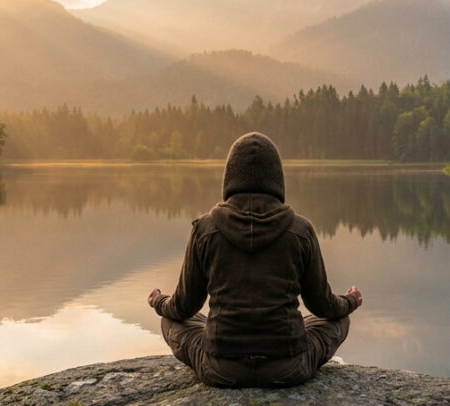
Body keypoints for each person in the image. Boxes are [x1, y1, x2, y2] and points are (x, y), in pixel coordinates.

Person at [148, 131, 363, 388]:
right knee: (339, 319)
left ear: (229, 178)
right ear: (277, 179)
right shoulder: (300, 230)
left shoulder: (204, 229)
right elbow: (324, 306)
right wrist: (349, 301)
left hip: (220, 368)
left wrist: (159, 301)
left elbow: (182, 308)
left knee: (171, 320)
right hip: (288, 366)